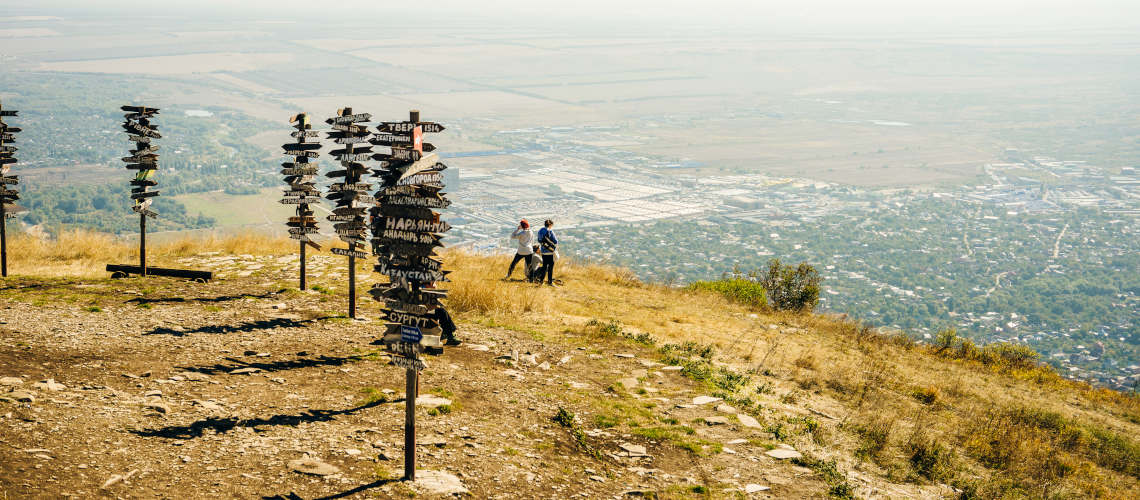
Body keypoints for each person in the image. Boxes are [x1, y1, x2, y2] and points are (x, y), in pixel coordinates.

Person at [537, 219, 558, 285]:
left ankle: (541, 281)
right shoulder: (550, 231)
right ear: (550, 225)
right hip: (550, 251)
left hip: (543, 251)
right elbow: (555, 241)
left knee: (544, 266)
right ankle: (550, 282)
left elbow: (539, 240)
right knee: (550, 267)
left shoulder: (540, 231)